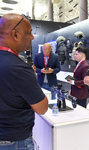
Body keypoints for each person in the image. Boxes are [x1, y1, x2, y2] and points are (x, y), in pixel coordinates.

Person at [0, 13, 48, 149]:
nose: (32, 37)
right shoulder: (19, 69)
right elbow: (42, 108)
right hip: (15, 141)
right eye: (29, 33)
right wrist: (32, 79)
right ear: (15, 35)